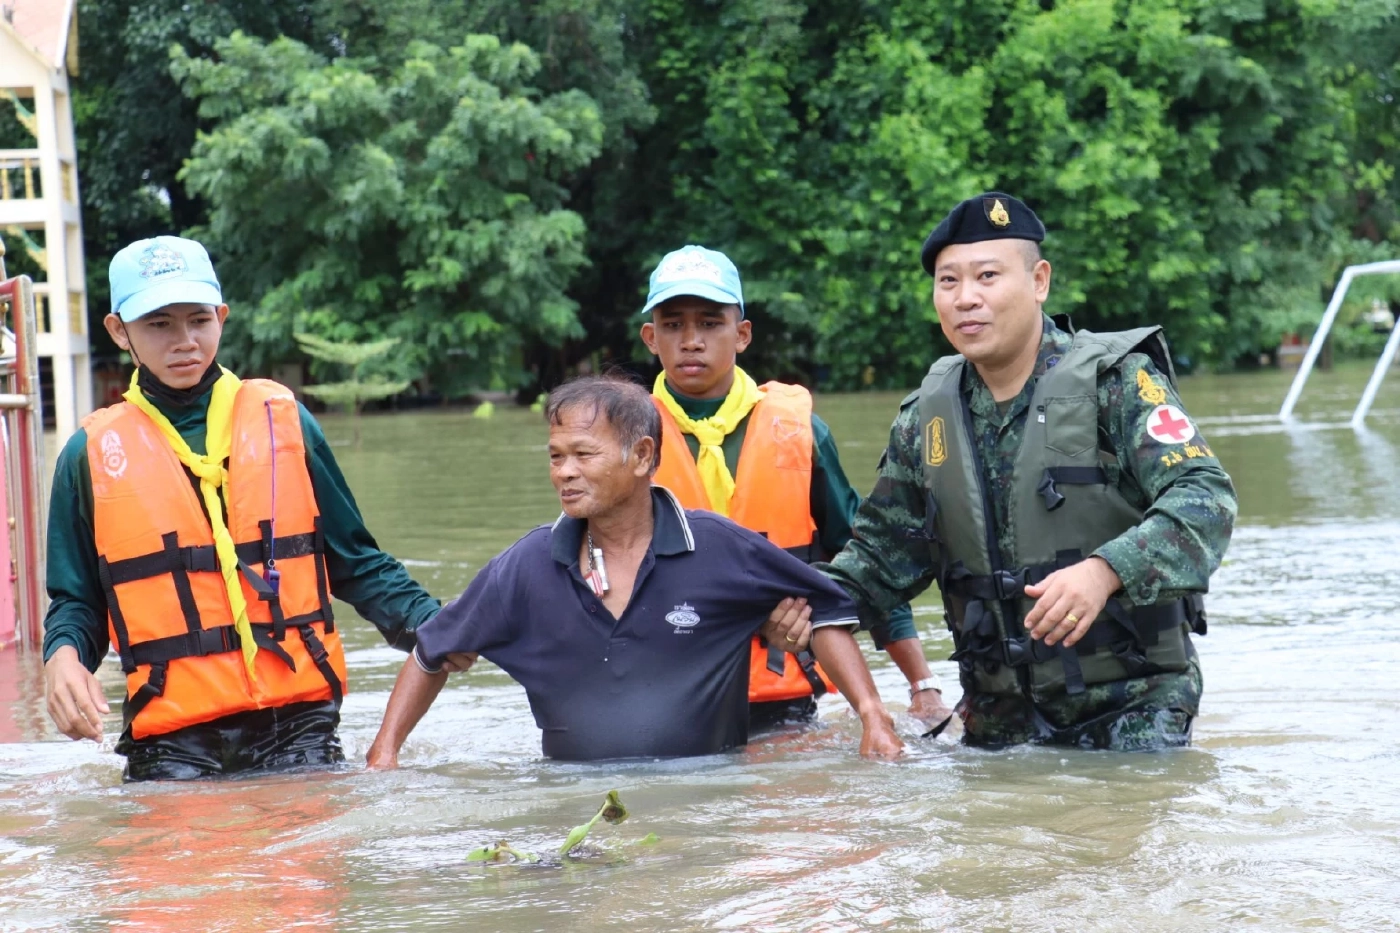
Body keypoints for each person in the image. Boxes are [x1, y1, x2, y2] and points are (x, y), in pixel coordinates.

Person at [819, 192, 1237, 749]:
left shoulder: (1118, 383)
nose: (966, 299)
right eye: (949, 282)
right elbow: (879, 558)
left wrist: (1104, 570)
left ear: (1039, 281)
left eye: (987, 276)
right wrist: (800, 604)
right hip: (997, 720)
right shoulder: (926, 419)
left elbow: (1206, 499)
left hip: (1133, 709)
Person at [42, 235, 443, 781]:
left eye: (198, 320)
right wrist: (62, 656)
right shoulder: (87, 455)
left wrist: (438, 626)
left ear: (222, 317)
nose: (184, 341)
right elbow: (77, 601)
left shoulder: (287, 422)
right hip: (172, 740)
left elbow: (356, 561)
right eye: (159, 324)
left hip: (298, 725)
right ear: (119, 331)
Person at [366, 375, 904, 765]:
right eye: (556, 457)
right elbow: (430, 651)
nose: (565, 473)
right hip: (573, 805)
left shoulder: (717, 548)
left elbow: (830, 607)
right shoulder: (526, 567)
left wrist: (872, 716)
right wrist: (384, 756)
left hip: (710, 800)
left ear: (643, 456)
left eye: (583, 454)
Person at [638, 245, 952, 730]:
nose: (691, 340)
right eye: (673, 324)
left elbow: (867, 560)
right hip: (664, 695)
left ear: (741, 335)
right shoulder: (623, 438)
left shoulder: (800, 432)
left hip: (782, 695)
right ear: (650, 338)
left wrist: (922, 686)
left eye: (709, 323)